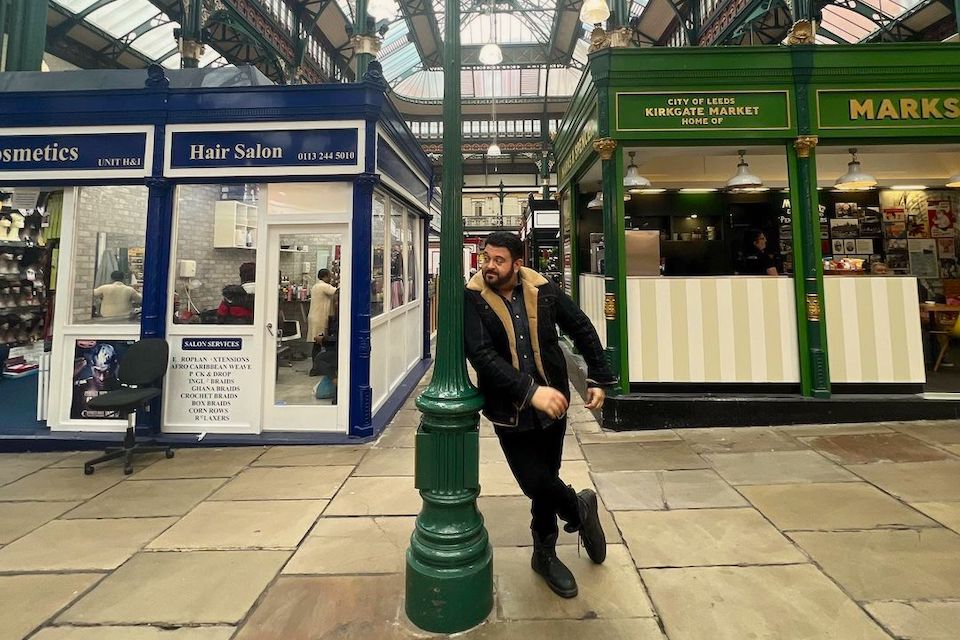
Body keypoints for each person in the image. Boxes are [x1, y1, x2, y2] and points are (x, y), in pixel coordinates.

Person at [464, 231, 615, 599]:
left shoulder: (543, 289)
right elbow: (482, 356)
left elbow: (580, 326)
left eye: (499, 260)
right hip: (510, 411)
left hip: (554, 406)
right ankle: (579, 508)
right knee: (534, 482)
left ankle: (544, 554)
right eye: (487, 258)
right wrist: (531, 392)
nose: (489, 266)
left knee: (548, 477)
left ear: (517, 263)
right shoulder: (473, 299)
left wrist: (598, 376)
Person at [308, 268, 337, 347]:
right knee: (319, 342)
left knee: (316, 343)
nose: (330, 278)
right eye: (329, 276)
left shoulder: (315, 286)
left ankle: (315, 359)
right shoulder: (324, 286)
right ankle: (318, 359)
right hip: (319, 318)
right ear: (325, 277)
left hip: (314, 316)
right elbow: (338, 291)